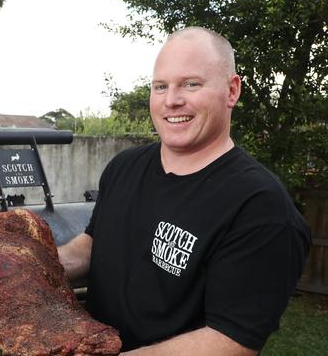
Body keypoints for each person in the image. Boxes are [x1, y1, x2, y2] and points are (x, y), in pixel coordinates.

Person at [58, 26, 311, 355]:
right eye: (160, 86)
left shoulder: (261, 208)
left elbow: (229, 343)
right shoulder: (123, 167)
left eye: (191, 84)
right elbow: (94, 244)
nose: (172, 100)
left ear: (232, 90)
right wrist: (36, 266)